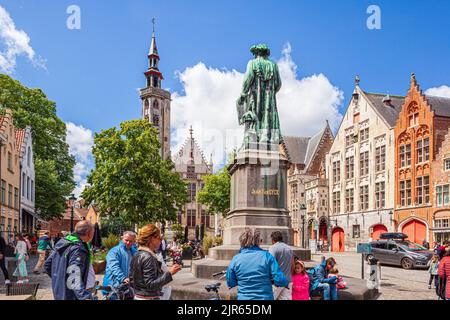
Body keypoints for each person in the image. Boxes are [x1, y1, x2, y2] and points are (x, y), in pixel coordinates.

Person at [226, 228, 288, 300]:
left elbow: (230, 282)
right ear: (258, 241)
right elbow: (280, 279)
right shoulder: (267, 256)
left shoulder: (236, 259)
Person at [44, 221, 96, 300]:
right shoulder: (78, 248)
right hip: (73, 294)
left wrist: (60, 280)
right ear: (89, 233)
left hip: (61, 292)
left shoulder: (63, 242)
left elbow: (47, 265)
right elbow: (74, 275)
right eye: (93, 232)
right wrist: (84, 296)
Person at [129, 224, 181, 300]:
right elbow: (151, 284)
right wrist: (170, 273)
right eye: (159, 237)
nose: (161, 240)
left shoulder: (137, 254)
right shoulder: (148, 257)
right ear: (151, 238)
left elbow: (131, 279)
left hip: (138, 296)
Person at [102, 231, 138, 299]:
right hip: (113, 287)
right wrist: (123, 278)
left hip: (127, 287)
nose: (128, 243)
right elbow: (114, 267)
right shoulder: (114, 251)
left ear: (134, 241)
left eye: (131, 241)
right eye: (126, 240)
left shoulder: (134, 252)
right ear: (122, 238)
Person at [269, 231, 293, 300]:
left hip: (278, 281)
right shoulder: (289, 248)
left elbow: (271, 263)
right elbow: (292, 264)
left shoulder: (273, 248)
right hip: (288, 280)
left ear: (273, 240)